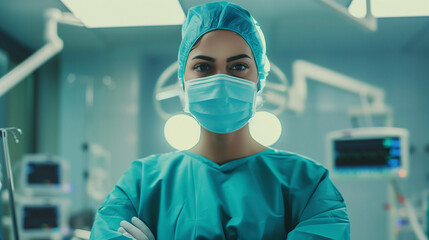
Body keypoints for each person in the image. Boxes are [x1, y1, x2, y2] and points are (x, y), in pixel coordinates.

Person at [89, 1, 350, 239]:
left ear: (258, 80)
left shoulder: (307, 184)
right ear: (183, 80)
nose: (221, 80)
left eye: (238, 67)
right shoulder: (142, 183)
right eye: (203, 67)